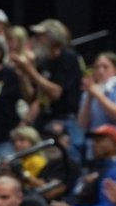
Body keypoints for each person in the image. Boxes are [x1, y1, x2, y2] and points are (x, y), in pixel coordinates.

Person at [12, 18, 84, 160]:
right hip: (45, 120)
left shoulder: (68, 58)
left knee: (68, 160)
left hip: (66, 120)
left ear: (53, 38)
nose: (37, 39)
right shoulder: (44, 61)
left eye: (41, 35)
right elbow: (33, 97)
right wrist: (24, 75)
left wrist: (30, 70)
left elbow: (56, 92)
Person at [50, 123, 116, 206]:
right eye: (94, 140)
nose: (94, 144)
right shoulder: (95, 167)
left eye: (100, 140)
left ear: (115, 144)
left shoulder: (114, 171)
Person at [78, 51, 116, 132]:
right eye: (97, 67)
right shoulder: (88, 92)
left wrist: (98, 94)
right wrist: (89, 97)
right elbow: (82, 124)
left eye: (105, 67)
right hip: (96, 137)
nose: (100, 71)